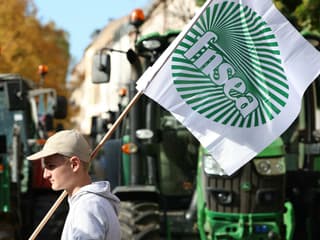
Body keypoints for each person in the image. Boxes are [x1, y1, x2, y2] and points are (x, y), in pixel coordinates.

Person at [27, 129, 121, 240]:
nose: (45, 175)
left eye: (51, 166)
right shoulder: (90, 203)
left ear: (74, 164)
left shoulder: (87, 206)